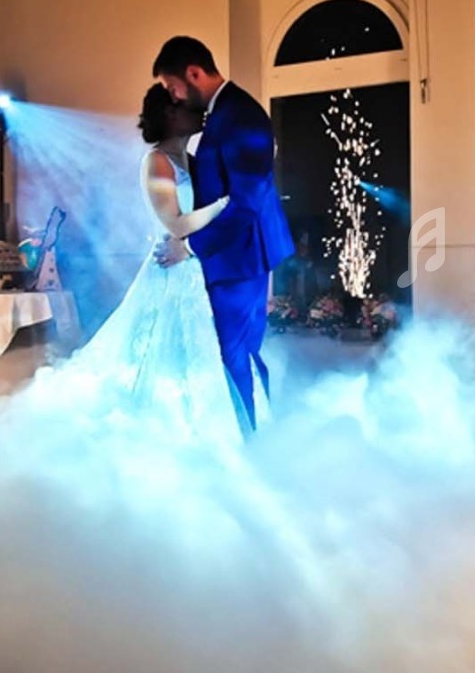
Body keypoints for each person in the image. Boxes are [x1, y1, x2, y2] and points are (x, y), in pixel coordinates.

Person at [42, 84, 264, 442]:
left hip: (199, 265)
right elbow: (175, 223)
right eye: (188, 107)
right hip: (171, 269)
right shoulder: (156, 161)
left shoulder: (192, 162)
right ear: (170, 115)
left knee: (211, 353)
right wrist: (226, 203)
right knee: (167, 358)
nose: (198, 111)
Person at [151, 36, 294, 433]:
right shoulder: (224, 114)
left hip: (240, 256)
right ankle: (253, 431)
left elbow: (245, 201)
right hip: (236, 255)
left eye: (172, 86)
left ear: (194, 73)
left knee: (234, 354)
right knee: (237, 352)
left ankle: (250, 440)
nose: (174, 96)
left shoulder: (240, 115)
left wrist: (191, 245)